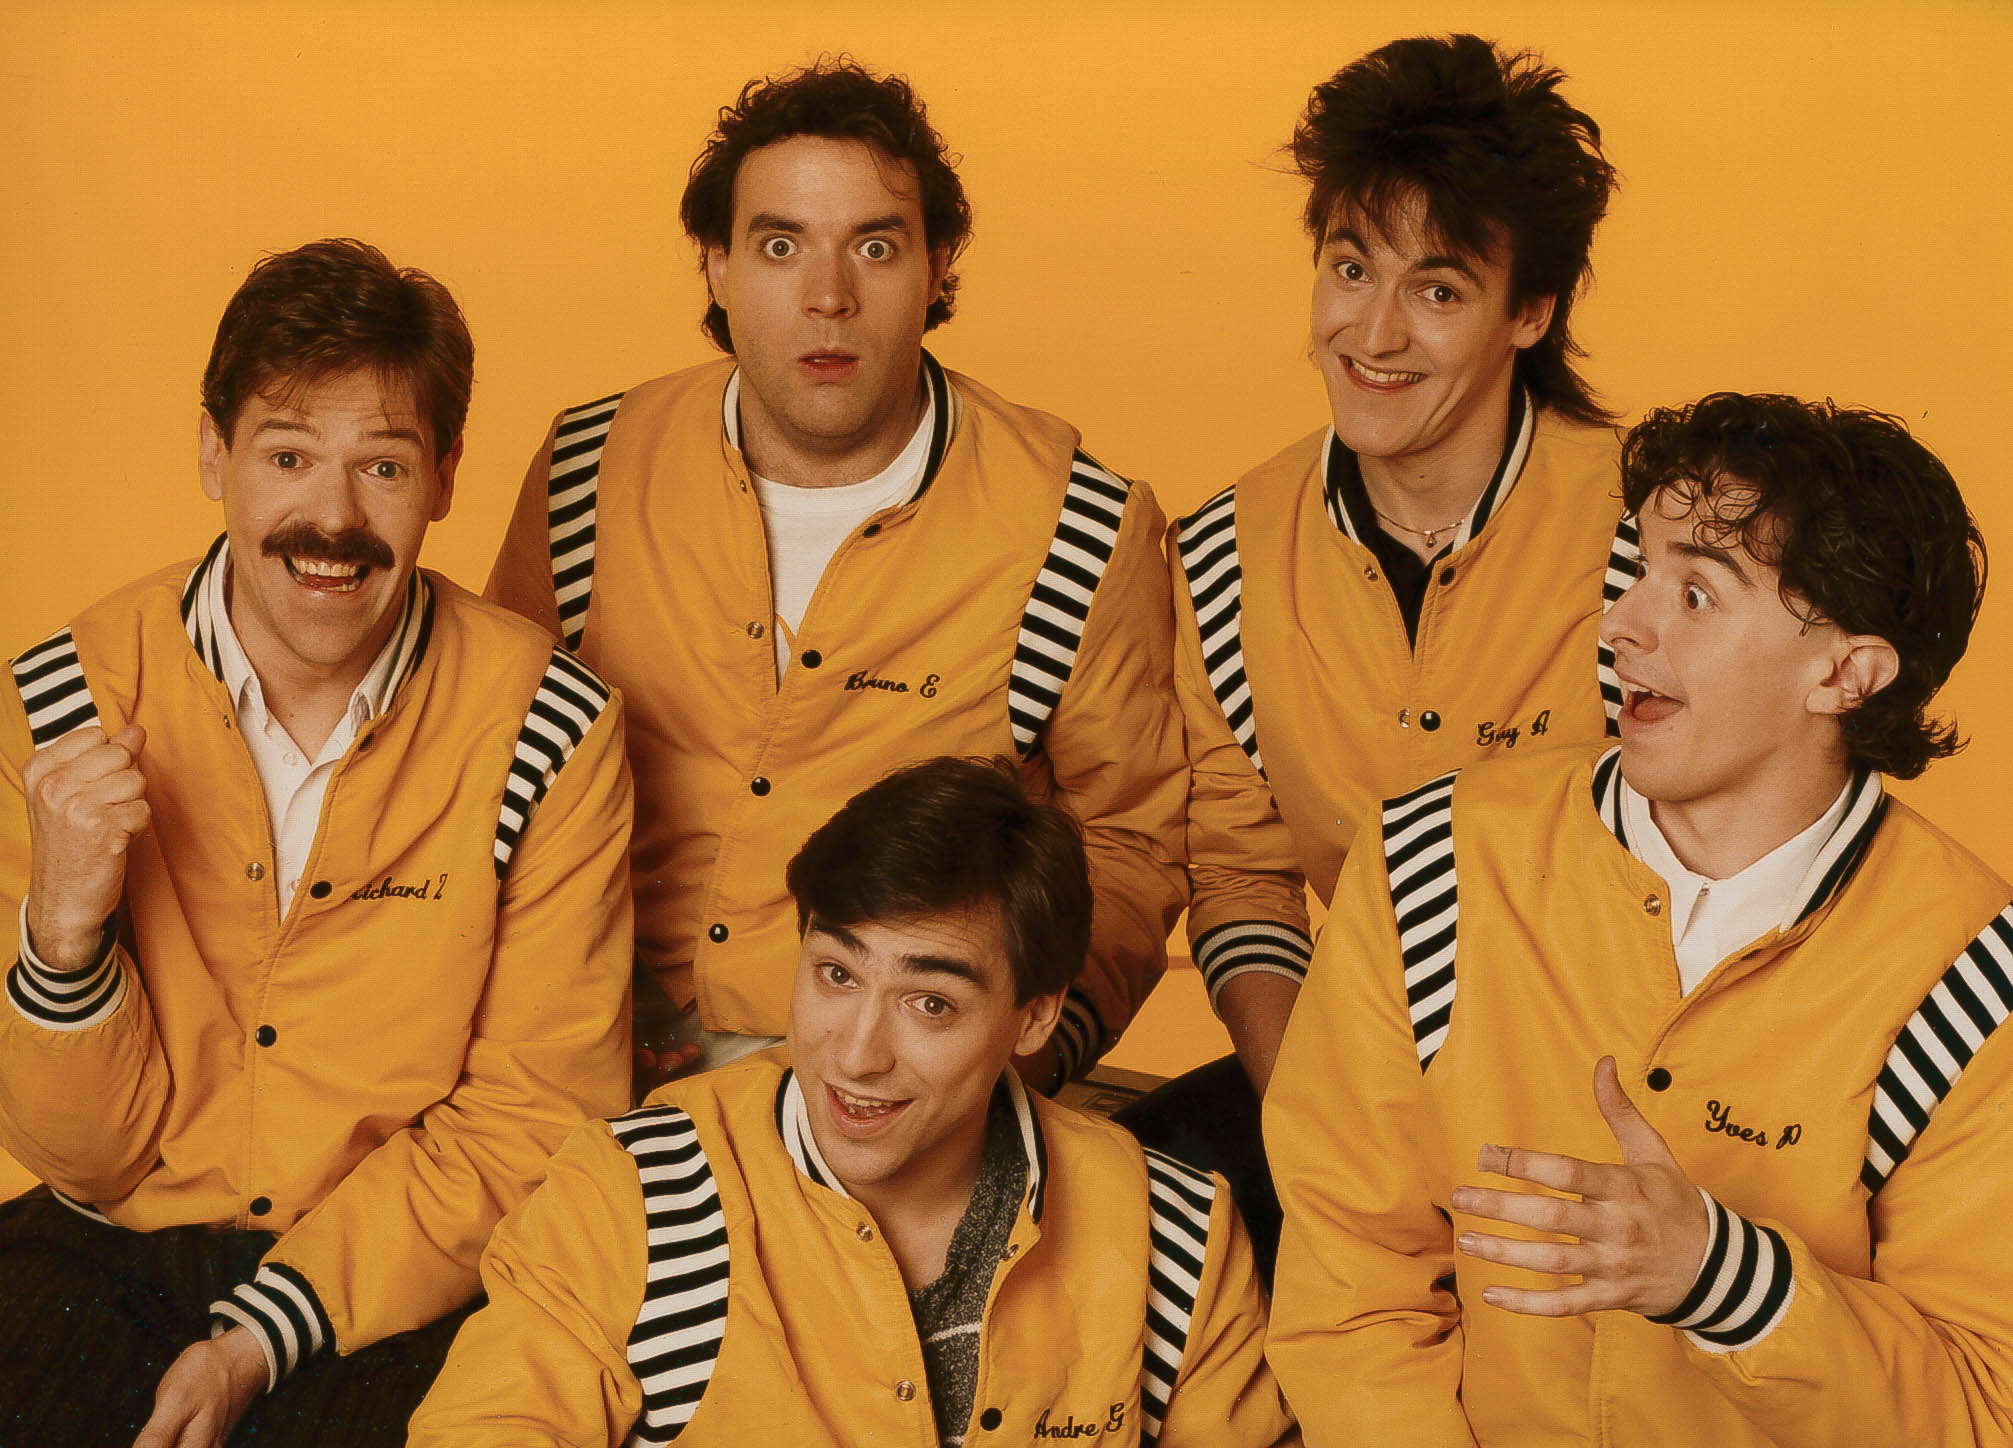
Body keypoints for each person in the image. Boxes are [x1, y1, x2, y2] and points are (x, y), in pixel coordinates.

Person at [1267, 392, 2010, 1445]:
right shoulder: (1431, 857)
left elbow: (1978, 1407)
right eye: (1638, 571)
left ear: (1845, 674)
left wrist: (1723, 1279)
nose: (1619, 624)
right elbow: (1352, 1289)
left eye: (1696, 594)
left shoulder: (1978, 981)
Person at [0, 239, 635, 1447]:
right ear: (213, 453)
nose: (332, 520)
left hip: (400, 1272)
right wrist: (63, 934)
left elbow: (534, 1114)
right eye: (287, 457)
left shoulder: (549, 726)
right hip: (104, 1245)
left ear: (444, 476)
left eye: (382, 465)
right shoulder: (61, 701)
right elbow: (80, 1156)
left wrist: (261, 1335)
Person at [486, 59, 1185, 1096]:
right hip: (582, 1055)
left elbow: (1131, 843)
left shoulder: (1079, 525)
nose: (828, 298)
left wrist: (1010, 1073)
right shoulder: (589, 467)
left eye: (874, 246)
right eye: (780, 246)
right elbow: (490, 761)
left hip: (898, 1088)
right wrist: (544, 1028)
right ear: (716, 267)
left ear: (938, 268)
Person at [1124, 32, 1626, 1277]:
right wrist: (1320, 1121)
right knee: (1105, 1213)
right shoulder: (1225, 552)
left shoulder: (1648, 535)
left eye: (1438, 291)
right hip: (1349, 1083)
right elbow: (1242, 877)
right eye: (1351, 269)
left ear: (1531, 312)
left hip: (1610, 1107)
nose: (1374, 332)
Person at [407, 757, 1294, 1447]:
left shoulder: (1173, 1230)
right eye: (836, 974)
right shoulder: (632, 1192)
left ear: (1034, 1016)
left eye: (929, 1003)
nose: (856, 1055)